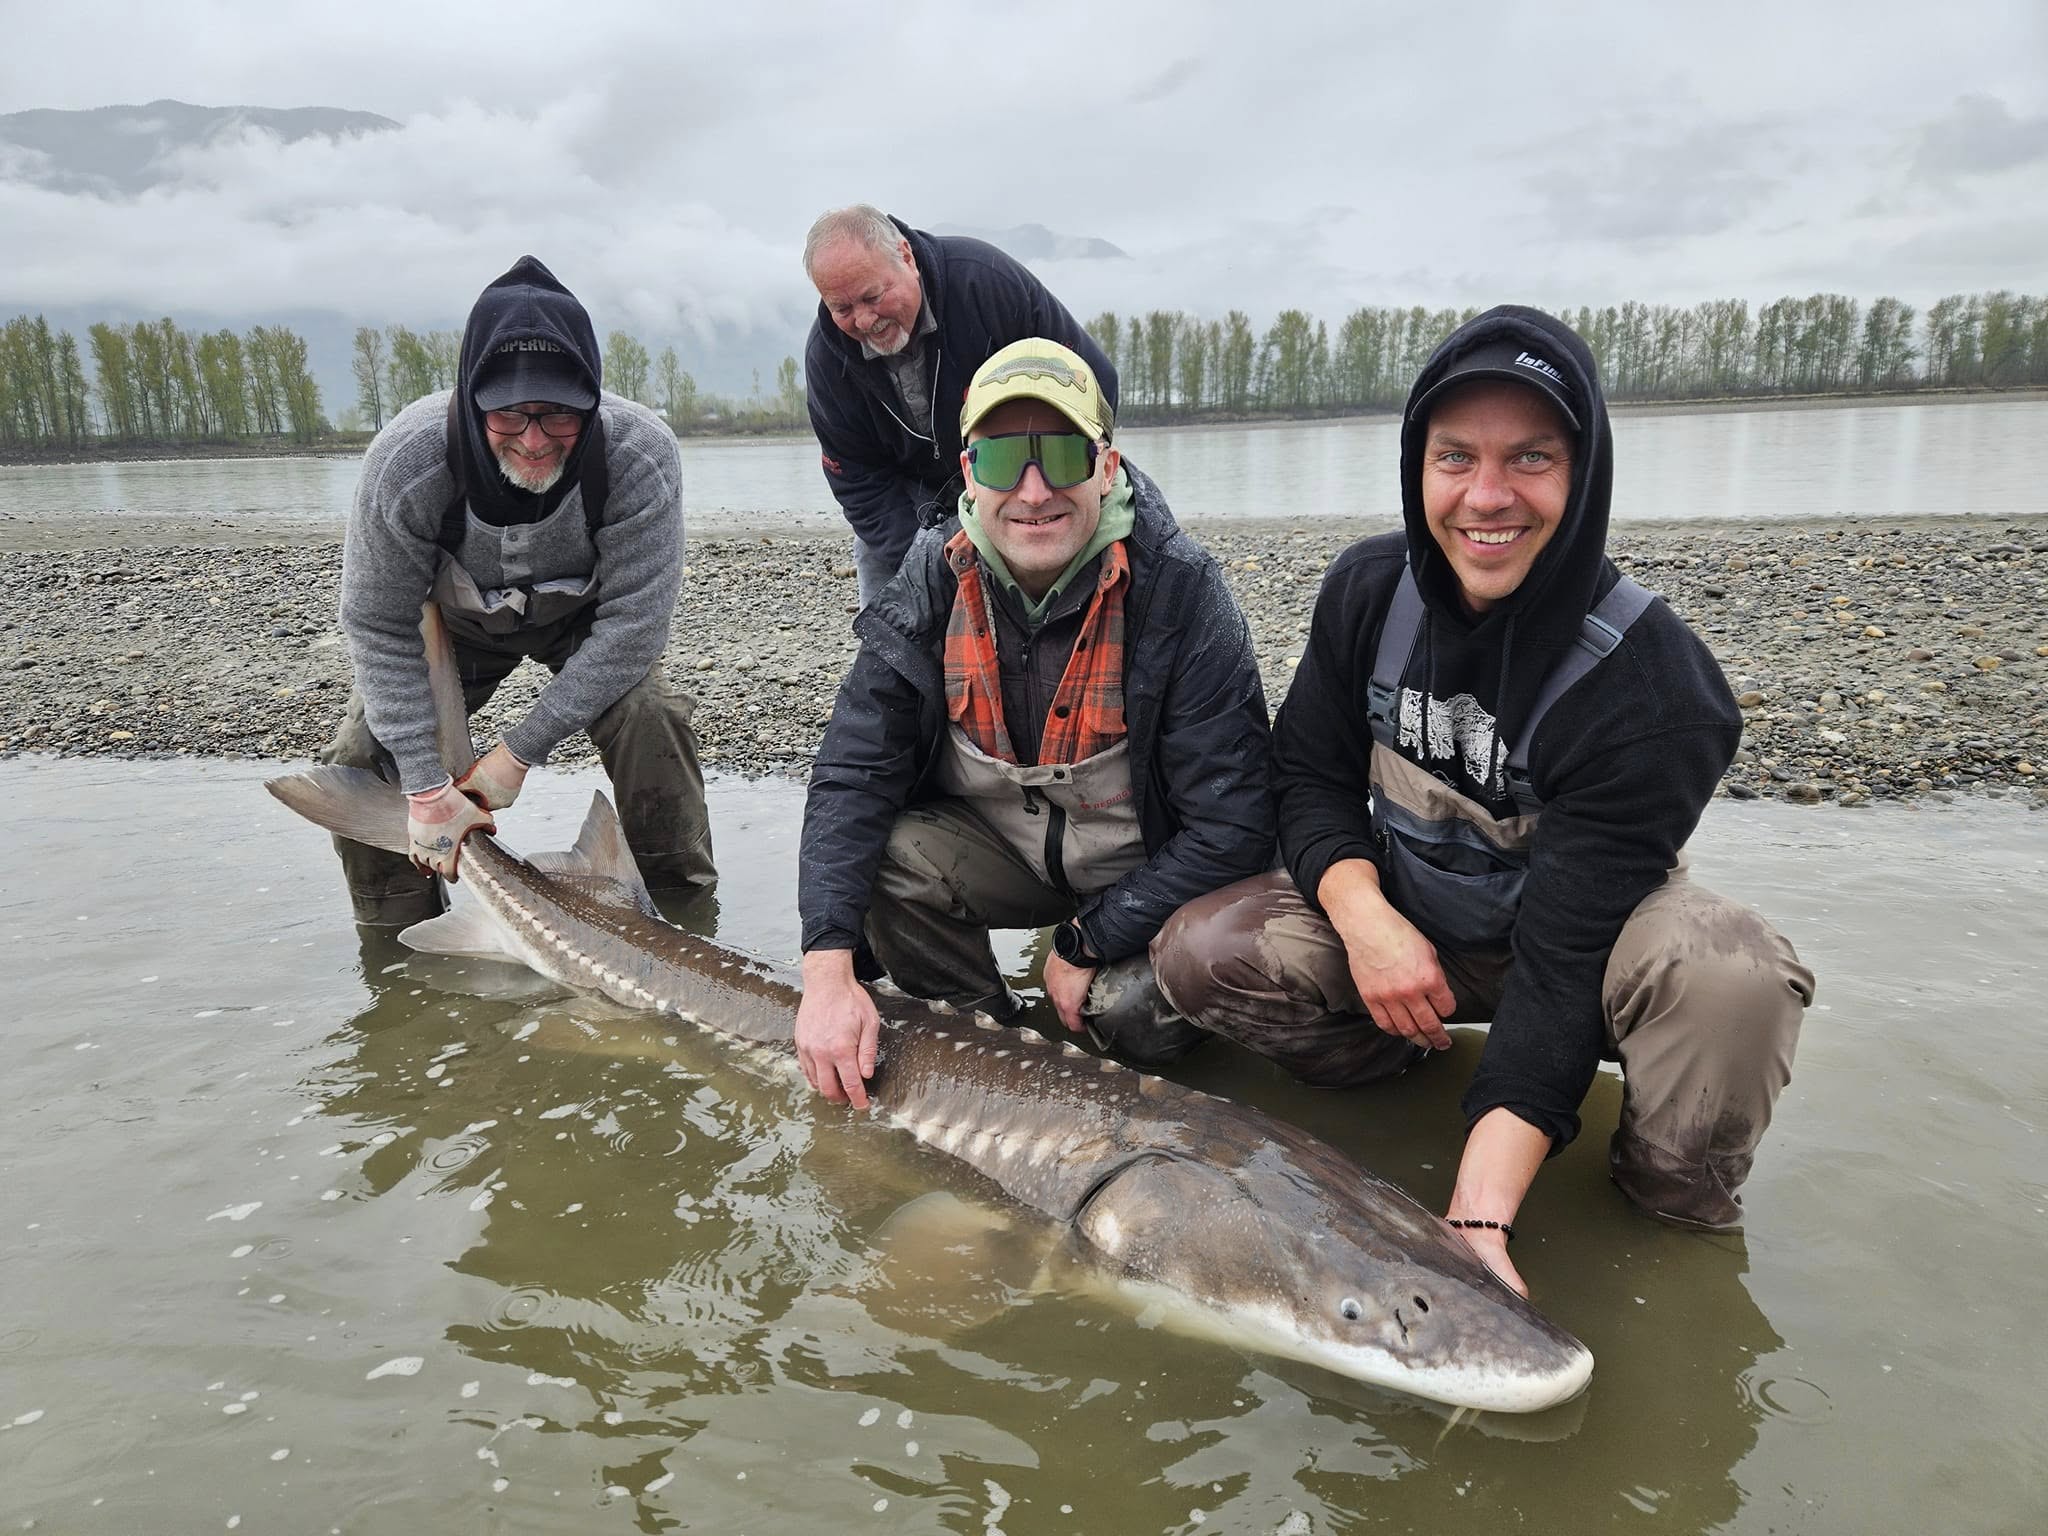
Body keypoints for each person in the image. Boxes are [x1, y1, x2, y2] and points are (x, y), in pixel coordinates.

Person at [1151, 305, 1814, 1296]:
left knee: (1733, 982)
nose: (1486, 497)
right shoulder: (1367, 590)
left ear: (1581, 474)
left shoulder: (1654, 688)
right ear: (1416, 466)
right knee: (1200, 953)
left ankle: (1665, 1210)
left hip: (1581, 952)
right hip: (1417, 932)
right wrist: (1364, 918)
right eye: (1453, 457)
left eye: (1530, 459)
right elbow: (1308, 779)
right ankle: (1401, 1073)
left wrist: (1470, 1220)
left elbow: (1560, 964)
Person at [793, 338, 1274, 1106]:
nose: (1032, 488)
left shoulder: (1181, 590)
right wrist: (826, 971)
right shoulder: (929, 576)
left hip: (1142, 864)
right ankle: (987, 1052)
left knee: (1135, 1018)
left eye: (1060, 454)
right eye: (1000, 459)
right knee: (884, 860)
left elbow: (1238, 825)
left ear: (1107, 466)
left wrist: (1092, 939)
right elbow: (853, 771)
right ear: (967, 474)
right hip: (1006, 849)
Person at [319, 255, 715, 924]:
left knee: (655, 718)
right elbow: (379, 625)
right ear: (473, 399)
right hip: (457, 627)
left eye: (560, 416)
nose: (534, 442)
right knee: (363, 754)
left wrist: (517, 754)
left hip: (586, 625)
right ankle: (397, 936)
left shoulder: (639, 452)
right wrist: (424, 786)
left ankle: (683, 921)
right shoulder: (407, 460)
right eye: (509, 416)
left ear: (592, 398)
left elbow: (633, 630)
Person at [802, 205, 1119, 606]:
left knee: (1114, 523)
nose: (863, 321)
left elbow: (1095, 384)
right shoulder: (827, 360)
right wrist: (927, 562)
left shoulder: (986, 282)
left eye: (872, 296)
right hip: (911, 494)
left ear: (905, 257)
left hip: (1021, 468)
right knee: (890, 584)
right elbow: (857, 480)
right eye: (842, 309)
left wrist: (1064, 478)